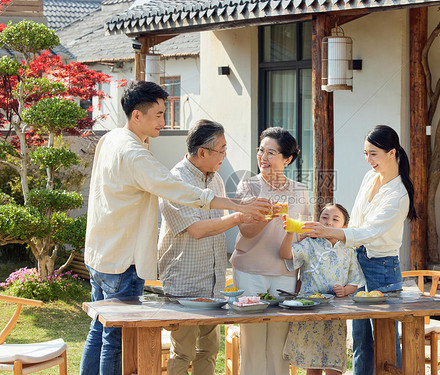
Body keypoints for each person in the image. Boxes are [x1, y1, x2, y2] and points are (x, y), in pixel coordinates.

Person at [80, 81, 270, 375]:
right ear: (137, 116)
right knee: (116, 340)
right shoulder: (136, 155)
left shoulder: (112, 138)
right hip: (122, 260)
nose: (164, 122)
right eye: (158, 115)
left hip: (102, 253)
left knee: (100, 332)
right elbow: (176, 189)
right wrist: (239, 208)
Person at [302, 125, 417, 375]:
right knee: (360, 340)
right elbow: (356, 222)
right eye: (365, 153)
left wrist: (329, 232)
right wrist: (335, 242)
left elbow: (369, 232)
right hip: (358, 261)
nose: (368, 160)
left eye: (373, 154)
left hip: (382, 268)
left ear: (391, 153)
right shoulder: (370, 178)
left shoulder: (398, 195)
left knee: (385, 341)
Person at [157, 119, 259, 375]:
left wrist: (243, 211)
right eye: (222, 150)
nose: (225, 155)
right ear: (203, 152)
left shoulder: (216, 181)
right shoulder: (174, 181)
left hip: (213, 282)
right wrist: (239, 215)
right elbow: (197, 230)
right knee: (183, 353)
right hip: (184, 283)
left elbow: (218, 224)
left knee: (209, 350)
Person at [230, 127, 311, 375]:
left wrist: (303, 277)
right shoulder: (249, 186)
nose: (263, 157)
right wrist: (267, 216)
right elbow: (246, 230)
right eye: (261, 151)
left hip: (285, 272)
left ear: (287, 159)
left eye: (271, 153)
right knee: (253, 342)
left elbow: (305, 236)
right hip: (250, 270)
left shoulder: (299, 191)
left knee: (279, 343)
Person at [280, 204, 364, 375]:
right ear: (318, 221)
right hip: (310, 309)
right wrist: (290, 233)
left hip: (336, 313)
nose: (329, 222)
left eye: (335, 219)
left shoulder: (347, 249)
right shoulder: (310, 244)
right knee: (314, 362)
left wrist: (345, 290)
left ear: (344, 227)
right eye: (324, 217)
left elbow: (355, 281)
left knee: (334, 361)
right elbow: (286, 254)